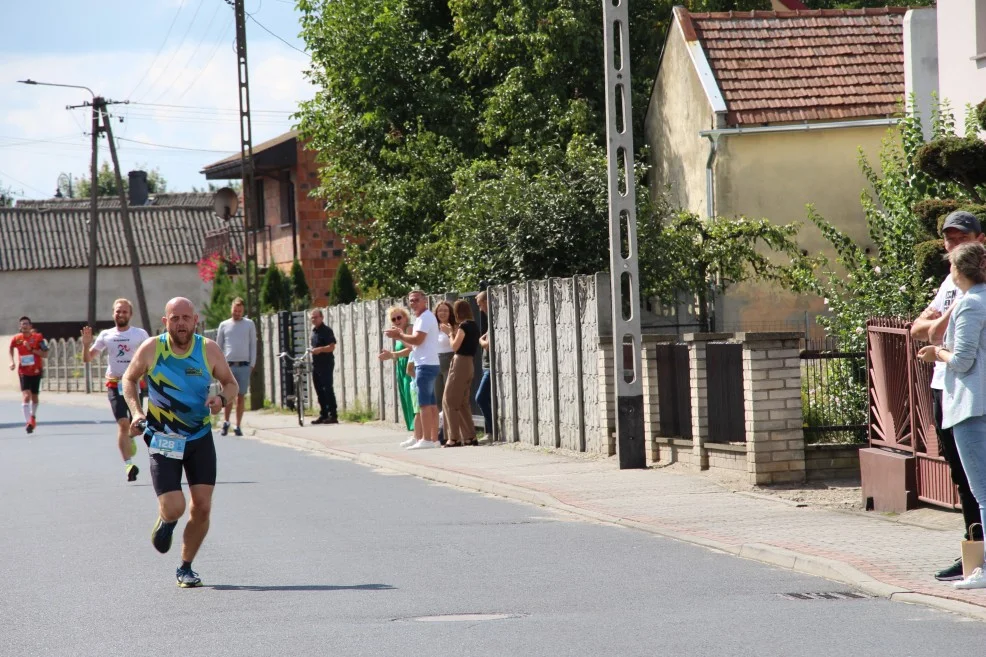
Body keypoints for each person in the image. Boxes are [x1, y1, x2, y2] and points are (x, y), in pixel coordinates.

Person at [122, 297, 238, 589]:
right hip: (162, 437)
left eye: (186, 318)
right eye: (175, 318)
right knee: (175, 506)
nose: (181, 323)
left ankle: (185, 567)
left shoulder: (208, 349)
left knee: (202, 508)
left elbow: (231, 383)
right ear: (166, 322)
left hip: (199, 436)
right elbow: (128, 379)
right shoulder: (152, 348)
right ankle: (167, 521)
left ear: (195, 320)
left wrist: (221, 399)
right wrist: (136, 412)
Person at [911, 210, 986, 581]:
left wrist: (942, 328)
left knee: (979, 480)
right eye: (949, 238)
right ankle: (972, 551)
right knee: (962, 475)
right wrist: (940, 321)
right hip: (947, 389)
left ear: (980, 240)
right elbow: (917, 329)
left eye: (961, 237)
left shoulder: (975, 291)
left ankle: (980, 559)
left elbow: (952, 347)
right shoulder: (950, 283)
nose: (954, 244)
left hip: (972, 392)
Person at [81, 299, 150, 481]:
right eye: (118, 311)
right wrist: (86, 345)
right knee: (123, 423)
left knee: (136, 425)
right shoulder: (106, 335)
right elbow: (88, 358)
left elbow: (152, 356)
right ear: (113, 313)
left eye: (125, 311)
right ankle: (129, 465)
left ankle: (130, 437)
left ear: (130, 314)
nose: (121, 314)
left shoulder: (140, 334)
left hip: (134, 384)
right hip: (114, 384)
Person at [385, 290, 440, 449]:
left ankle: (427, 440)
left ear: (425, 301)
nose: (413, 303)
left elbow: (417, 340)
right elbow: (417, 343)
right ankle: (430, 439)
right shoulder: (423, 318)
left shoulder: (425, 318)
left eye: (416, 300)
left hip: (425, 364)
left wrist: (399, 336)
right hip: (426, 363)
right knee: (429, 403)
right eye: (411, 300)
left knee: (424, 404)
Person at [215, 297, 256, 436]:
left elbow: (253, 345)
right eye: (235, 310)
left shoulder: (249, 324)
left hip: (244, 365)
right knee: (227, 395)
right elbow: (218, 346)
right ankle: (226, 422)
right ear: (231, 309)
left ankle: (238, 425)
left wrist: (252, 364)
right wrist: (217, 365)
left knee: (241, 396)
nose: (237, 313)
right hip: (228, 365)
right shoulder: (224, 325)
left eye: (239, 311)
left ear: (242, 311)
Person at [442, 299, 480, 447]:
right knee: (463, 402)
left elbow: (455, 346)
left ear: (457, 312)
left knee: (449, 399)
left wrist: (450, 333)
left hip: (460, 363)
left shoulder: (464, 326)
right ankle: (470, 436)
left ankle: (454, 438)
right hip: (469, 363)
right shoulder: (475, 326)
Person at [378, 305, 415, 436]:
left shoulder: (409, 329)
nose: (397, 321)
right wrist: (390, 355)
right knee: (404, 396)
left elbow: (411, 348)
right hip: (401, 366)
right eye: (393, 319)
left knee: (411, 397)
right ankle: (411, 430)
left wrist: (394, 351)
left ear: (405, 317)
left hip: (410, 365)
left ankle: (416, 430)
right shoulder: (398, 333)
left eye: (399, 317)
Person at [8, 316, 48, 434]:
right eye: (22, 324)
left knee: (34, 396)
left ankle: (33, 417)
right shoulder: (17, 339)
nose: (24, 326)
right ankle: (28, 423)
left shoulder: (38, 338)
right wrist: (12, 361)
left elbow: (45, 354)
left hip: (36, 370)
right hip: (23, 371)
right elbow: (10, 349)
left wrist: (31, 350)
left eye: (26, 324)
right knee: (26, 395)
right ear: (20, 326)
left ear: (30, 326)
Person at [310, 309, 338, 425]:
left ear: (322, 318)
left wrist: (320, 349)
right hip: (316, 364)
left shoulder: (327, 331)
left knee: (327, 389)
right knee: (319, 390)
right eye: (312, 318)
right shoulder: (314, 332)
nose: (314, 319)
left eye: (316, 317)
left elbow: (332, 347)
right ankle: (324, 414)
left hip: (326, 364)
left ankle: (333, 415)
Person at [474, 291, 493, 438]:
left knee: (480, 397)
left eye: (481, 304)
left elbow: (487, 344)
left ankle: (491, 430)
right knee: (486, 398)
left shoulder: (494, 318)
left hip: (491, 367)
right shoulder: (490, 319)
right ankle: (490, 429)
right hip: (486, 365)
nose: (480, 309)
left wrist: (480, 340)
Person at [433, 300, 456, 417]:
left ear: (450, 313)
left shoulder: (454, 327)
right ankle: (440, 427)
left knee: (449, 396)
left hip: (449, 361)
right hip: (435, 362)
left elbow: (456, 345)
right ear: (436, 313)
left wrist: (449, 332)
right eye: (440, 310)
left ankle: (450, 426)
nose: (442, 313)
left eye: (445, 310)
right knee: (437, 396)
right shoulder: (433, 328)